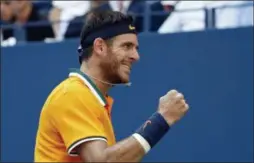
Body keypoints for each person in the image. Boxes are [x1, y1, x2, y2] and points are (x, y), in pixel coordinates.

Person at [34, 10, 189, 162]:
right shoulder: (73, 93)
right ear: (100, 47)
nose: (136, 56)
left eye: (136, 48)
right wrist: (161, 120)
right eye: (127, 46)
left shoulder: (89, 98)